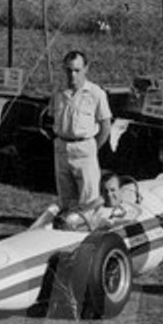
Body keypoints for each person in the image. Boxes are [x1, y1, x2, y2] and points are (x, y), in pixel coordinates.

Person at [51, 50, 113, 211]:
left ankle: (89, 232)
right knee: (65, 201)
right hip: (62, 149)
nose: (72, 75)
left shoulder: (95, 93)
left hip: (84, 149)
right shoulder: (58, 93)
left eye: (77, 70)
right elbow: (53, 117)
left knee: (88, 201)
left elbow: (105, 126)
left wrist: (91, 147)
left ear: (86, 68)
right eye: (69, 70)